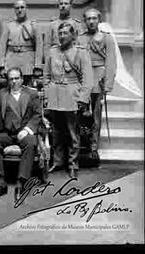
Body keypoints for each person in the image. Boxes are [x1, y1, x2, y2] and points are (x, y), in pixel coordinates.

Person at [44, 22, 93, 178]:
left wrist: (83, 99)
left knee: (73, 133)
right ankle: (57, 162)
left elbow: (88, 79)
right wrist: (47, 94)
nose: (62, 36)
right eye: (60, 33)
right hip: (55, 96)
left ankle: (73, 164)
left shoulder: (81, 52)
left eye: (65, 33)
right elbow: (46, 76)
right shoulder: (52, 51)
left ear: (73, 36)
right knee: (56, 132)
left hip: (72, 95)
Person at [0, 67, 42, 202]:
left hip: (24, 132)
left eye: (17, 78)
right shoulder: (2, 94)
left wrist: (27, 130)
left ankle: (21, 183)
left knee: (31, 143)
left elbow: (38, 114)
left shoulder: (32, 94)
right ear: (8, 81)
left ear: (22, 79)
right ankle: (0, 183)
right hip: (7, 133)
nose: (14, 81)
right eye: (11, 79)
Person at [78, 8, 117, 160]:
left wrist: (107, 85)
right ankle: (80, 147)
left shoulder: (106, 38)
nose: (91, 21)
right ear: (85, 21)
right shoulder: (80, 38)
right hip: (82, 80)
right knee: (80, 114)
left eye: (94, 18)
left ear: (99, 20)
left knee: (95, 116)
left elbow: (111, 62)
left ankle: (93, 148)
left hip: (98, 78)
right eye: (88, 19)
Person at [0, 0, 43, 86]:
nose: (20, 10)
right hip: (11, 61)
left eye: (22, 7)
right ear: (14, 10)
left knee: (28, 90)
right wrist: (2, 66)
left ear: (26, 9)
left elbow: (39, 46)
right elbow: (2, 46)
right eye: (17, 8)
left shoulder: (34, 25)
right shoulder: (8, 26)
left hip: (27, 63)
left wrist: (37, 66)